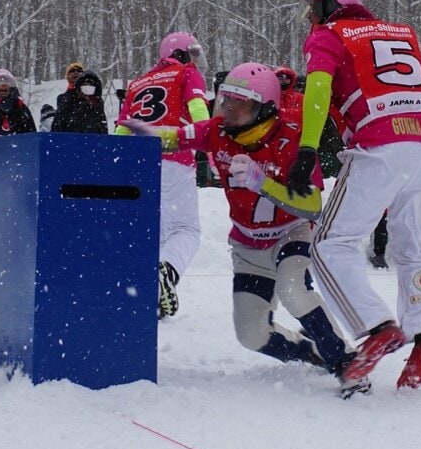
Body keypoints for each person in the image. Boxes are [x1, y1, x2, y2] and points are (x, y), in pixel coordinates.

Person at [124, 62, 361, 385]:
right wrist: (150, 134)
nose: (229, 109)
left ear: (265, 108)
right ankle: (310, 351)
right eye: (226, 99)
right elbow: (177, 138)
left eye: (240, 102)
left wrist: (263, 183)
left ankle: (348, 363)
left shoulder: (291, 136)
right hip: (249, 242)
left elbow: (312, 205)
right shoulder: (216, 130)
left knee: (294, 290)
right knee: (251, 334)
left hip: (292, 230)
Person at [288, 0, 421, 394]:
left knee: (328, 244)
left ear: (328, 2)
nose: (309, 13)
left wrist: (308, 148)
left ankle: (377, 327)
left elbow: (318, 89)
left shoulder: (328, 34)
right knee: (412, 242)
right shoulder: (400, 33)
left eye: (312, 4)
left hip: (381, 144)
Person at [115, 31, 211, 318]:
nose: (196, 59)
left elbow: (123, 129)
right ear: (181, 53)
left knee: (152, 233)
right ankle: (166, 274)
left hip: (138, 165)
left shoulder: (139, 82)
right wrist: (212, 139)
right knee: (186, 230)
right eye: (192, 53)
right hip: (173, 157)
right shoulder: (186, 73)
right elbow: (197, 108)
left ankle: (149, 295)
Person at [0, 69, 37, 136]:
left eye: (8, 82)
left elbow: (31, 134)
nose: (4, 85)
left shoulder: (20, 106)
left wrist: (15, 112)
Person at [53, 69, 109, 134]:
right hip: (70, 141)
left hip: (93, 142)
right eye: (84, 87)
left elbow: (103, 129)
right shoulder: (68, 101)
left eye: (91, 88)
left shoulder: (97, 105)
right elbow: (57, 127)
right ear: (79, 88)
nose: (87, 92)